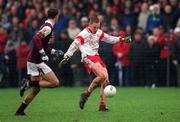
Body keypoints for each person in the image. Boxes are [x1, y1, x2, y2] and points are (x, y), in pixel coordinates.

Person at [63, 16, 131, 111]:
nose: (96, 29)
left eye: (98, 27)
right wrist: (68, 54)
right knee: (102, 75)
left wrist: (121, 39)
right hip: (87, 56)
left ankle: (102, 105)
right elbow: (75, 44)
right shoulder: (84, 34)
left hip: (96, 56)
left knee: (106, 80)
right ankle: (86, 94)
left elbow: (109, 38)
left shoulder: (98, 32)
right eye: (94, 27)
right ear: (89, 25)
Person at [15, 8, 64, 116]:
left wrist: (54, 51)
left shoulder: (47, 25)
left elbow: (44, 45)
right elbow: (36, 38)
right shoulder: (48, 27)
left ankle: (20, 111)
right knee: (55, 83)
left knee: (36, 89)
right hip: (36, 61)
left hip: (33, 60)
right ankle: (27, 83)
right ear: (56, 16)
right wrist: (42, 53)